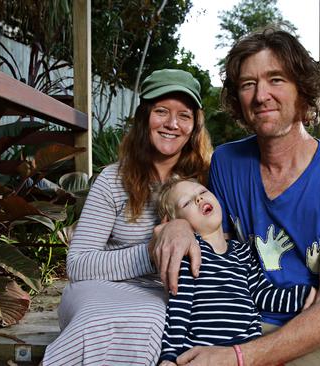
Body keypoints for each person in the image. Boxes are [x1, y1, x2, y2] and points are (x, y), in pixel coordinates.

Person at [151, 27, 320, 366]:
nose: (261, 96)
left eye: (276, 79)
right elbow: (214, 241)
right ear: (238, 100)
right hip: (234, 323)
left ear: (302, 89)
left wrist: (237, 358)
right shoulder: (227, 164)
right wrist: (179, 227)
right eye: (248, 84)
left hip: (310, 332)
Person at [42, 69, 212, 366]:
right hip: (97, 289)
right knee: (97, 321)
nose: (172, 124)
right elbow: (78, 265)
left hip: (169, 296)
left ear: (194, 125)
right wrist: (153, 251)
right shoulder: (113, 180)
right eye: (161, 111)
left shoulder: (205, 180)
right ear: (144, 117)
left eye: (184, 115)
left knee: (153, 321)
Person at [155, 178, 316, 365]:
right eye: (187, 202)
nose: (198, 199)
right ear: (175, 222)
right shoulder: (190, 254)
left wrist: (302, 295)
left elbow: (262, 294)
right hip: (201, 352)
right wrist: (169, 355)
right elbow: (179, 309)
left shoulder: (243, 251)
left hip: (245, 350)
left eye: (202, 192)